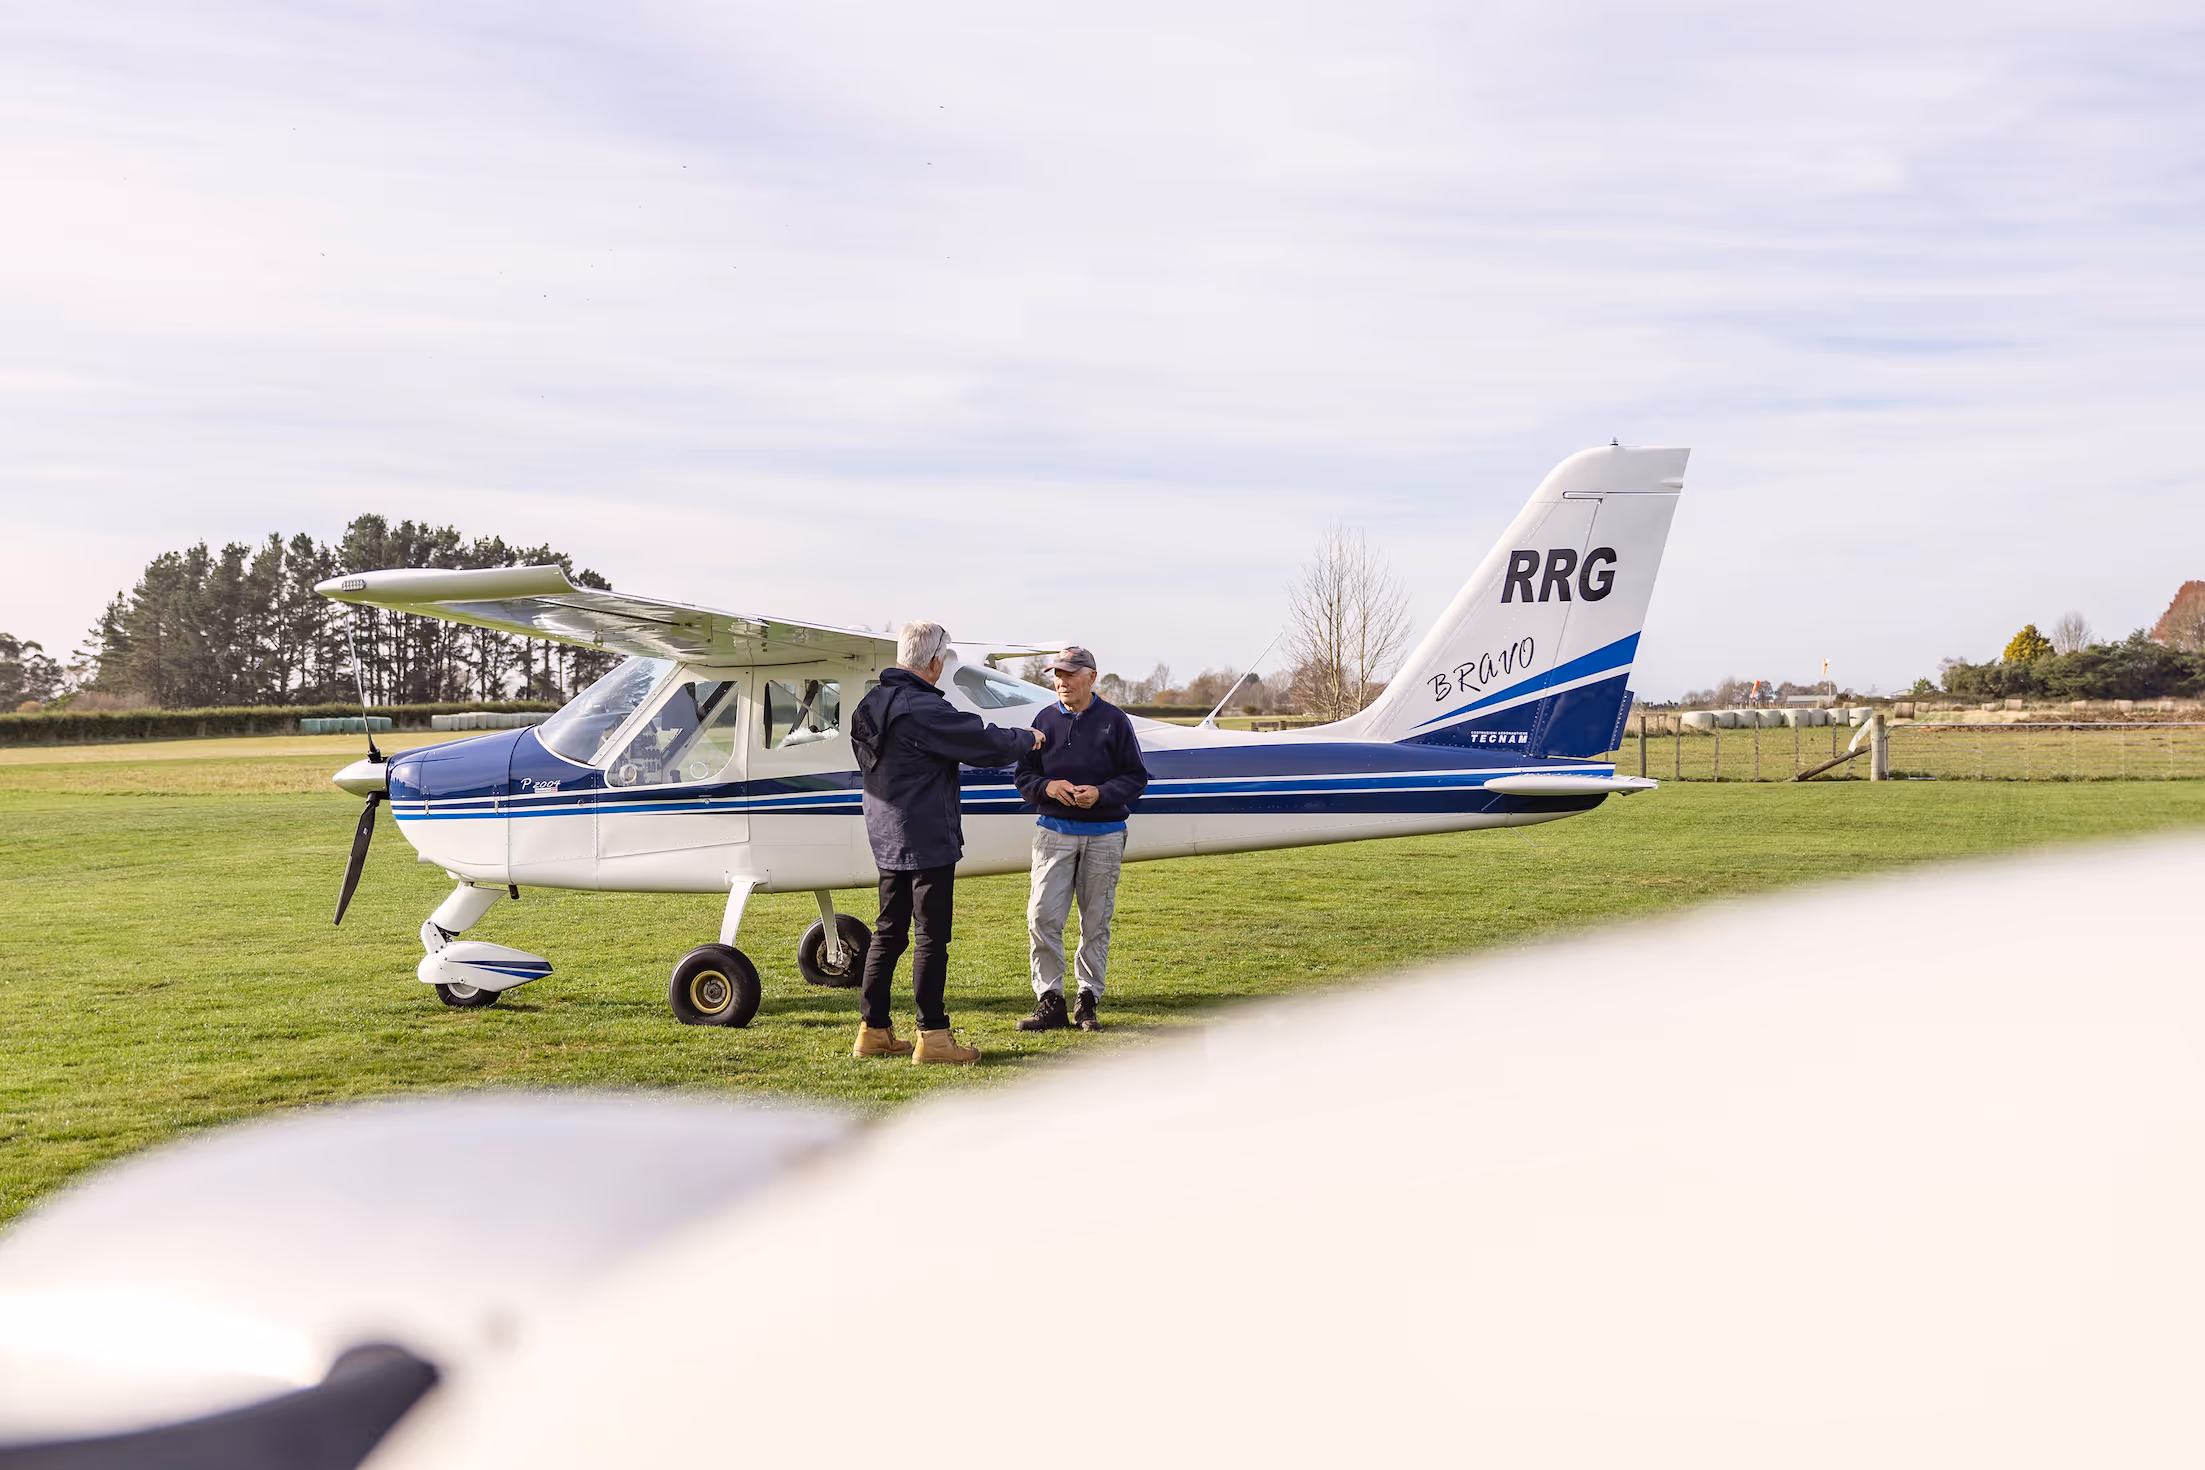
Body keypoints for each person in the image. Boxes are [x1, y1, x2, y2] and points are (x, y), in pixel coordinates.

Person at [849, 622, 1043, 1065]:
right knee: (931, 939)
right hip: (927, 838)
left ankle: (873, 1030)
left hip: (885, 834)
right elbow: (983, 744)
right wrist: (1027, 739)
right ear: (935, 662)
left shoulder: (870, 704)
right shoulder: (924, 709)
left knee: (888, 933)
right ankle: (933, 1036)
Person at [1014, 645, 1149, 1033]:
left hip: (1105, 836)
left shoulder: (1115, 721)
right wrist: (1048, 786)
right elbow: (1023, 776)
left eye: (1070, 674)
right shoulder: (1043, 719)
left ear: (1091, 677)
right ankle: (1050, 1001)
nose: (1062, 681)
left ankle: (1087, 1001)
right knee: (1042, 917)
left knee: (1095, 922)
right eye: (1057, 674)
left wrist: (1102, 794)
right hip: (1053, 833)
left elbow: (1136, 778)